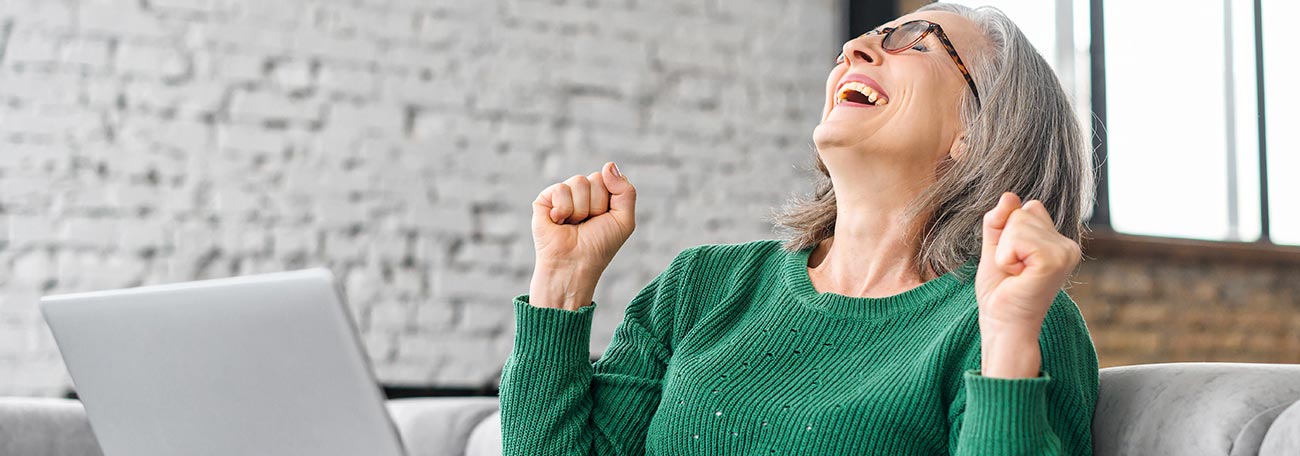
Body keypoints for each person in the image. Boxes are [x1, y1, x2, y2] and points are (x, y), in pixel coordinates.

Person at [501, 2, 1097, 454]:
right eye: (867, 36)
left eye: (917, 42)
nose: (854, 47)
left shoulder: (1009, 317)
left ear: (980, 130)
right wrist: (560, 283)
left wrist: (1010, 340)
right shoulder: (700, 288)